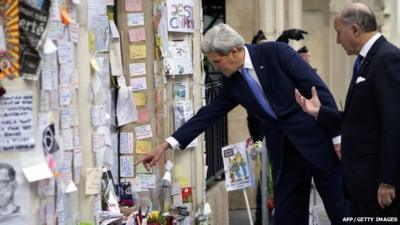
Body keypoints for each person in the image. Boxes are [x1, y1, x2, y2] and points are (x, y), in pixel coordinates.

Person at [137, 23, 348, 225]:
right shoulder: (233, 82)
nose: (215, 67)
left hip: (318, 143)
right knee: (288, 217)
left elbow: (319, 93)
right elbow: (207, 114)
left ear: (236, 51)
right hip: (285, 154)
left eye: (217, 61)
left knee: (340, 209)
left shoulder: (276, 53)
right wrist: (166, 145)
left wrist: (337, 137)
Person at [295, 2, 400, 219]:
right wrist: (319, 112)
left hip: (377, 187)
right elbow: (361, 119)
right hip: (361, 184)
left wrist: (388, 180)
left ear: (354, 29)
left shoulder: (387, 58)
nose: (337, 40)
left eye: (338, 32)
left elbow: (394, 124)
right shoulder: (367, 60)